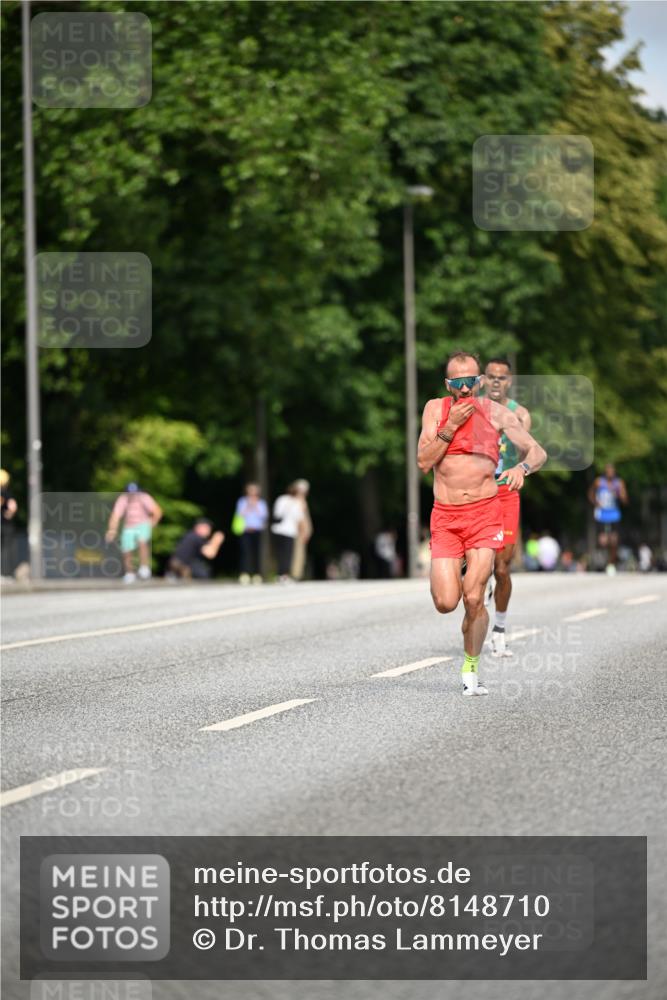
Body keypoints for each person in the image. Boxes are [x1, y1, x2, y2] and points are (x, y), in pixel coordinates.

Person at [417, 350, 546, 696]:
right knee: (446, 601)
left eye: (470, 382)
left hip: (485, 514)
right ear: (448, 384)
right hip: (445, 518)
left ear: (479, 382)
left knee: (474, 597)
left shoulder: (497, 414)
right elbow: (423, 460)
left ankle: (471, 667)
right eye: (457, 383)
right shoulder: (435, 410)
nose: (463, 390)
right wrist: (451, 426)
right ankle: (467, 604)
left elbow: (537, 452)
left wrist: (521, 468)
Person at [483, 357, 533, 657]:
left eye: (501, 377)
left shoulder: (521, 414)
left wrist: (522, 469)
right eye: (491, 376)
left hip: (505, 494)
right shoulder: (473, 409)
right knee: (479, 563)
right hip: (476, 493)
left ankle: (499, 630)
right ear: (484, 379)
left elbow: (532, 450)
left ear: (509, 380)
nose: (496, 381)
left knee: (502, 567)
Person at [105, 482, 162, 584]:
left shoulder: (144, 497)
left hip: (143, 523)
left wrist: (153, 522)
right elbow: (116, 516)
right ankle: (129, 572)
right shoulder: (123, 499)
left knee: (142, 542)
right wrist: (112, 530)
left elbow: (157, 511)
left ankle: (144, 567)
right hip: (129, 526)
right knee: (126, 549)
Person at [587, 463, 628, 574]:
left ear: (614, 472)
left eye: (612, 471)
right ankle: (604, 560)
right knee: (603, 541)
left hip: (614, 514)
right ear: (605, 472)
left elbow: (625, 500)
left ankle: (611, 563)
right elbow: (590, 494)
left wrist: (620, 495)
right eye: (608, 471)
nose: (610, 473)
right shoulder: (599, 482)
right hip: (602, 514)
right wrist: (596, 503)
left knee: (614, 541)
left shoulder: (619, 483)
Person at [234, 482, 268, 585]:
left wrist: (256, 506)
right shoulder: (242, 501)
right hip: (245, 530)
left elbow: (263, 516)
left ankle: (257, 574)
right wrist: (249, 506)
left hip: (257, 530)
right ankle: (244, 574)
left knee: (256, 553)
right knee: (245, 553)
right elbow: (240, 514)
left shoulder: (261, 503)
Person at [271, 483, 305, 583]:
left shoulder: (281, 499)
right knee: (287, 554)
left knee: (279, 554)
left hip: (277, 529)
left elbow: (276, 513)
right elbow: (299, 518)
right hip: (289, 531)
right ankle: (284, 575)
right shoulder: (297, 503)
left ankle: (279, 574)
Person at [290, 479, 313, 580]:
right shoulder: (297, 501)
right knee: (297, 553)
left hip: (300, 531)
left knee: (300, 553)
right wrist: (304, 531)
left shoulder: (300, 500)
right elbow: (300, 519)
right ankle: (295, 574)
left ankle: (297, 574)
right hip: (298, 531)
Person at [1, 469, 18, 579]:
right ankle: (6, 574)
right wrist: (8, 514)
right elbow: (13, 506)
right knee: (6, 549)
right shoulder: (6, 493)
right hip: (6, 525)